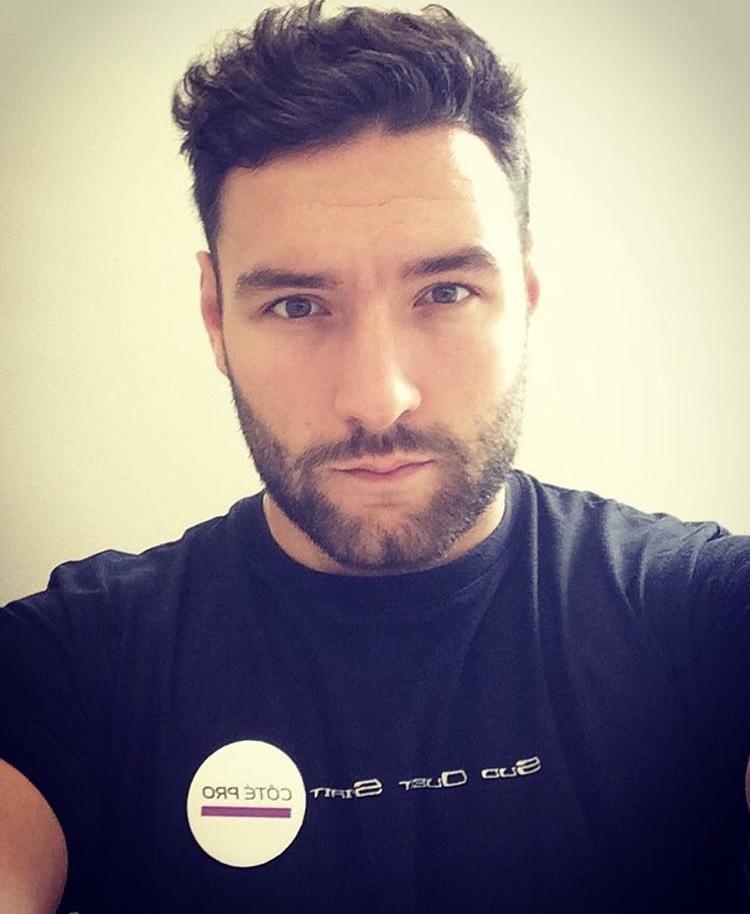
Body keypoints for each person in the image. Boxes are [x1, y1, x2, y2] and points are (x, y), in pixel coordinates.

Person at [1, 1, 748, 911]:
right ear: (215, 316)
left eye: (445, 291)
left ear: (524, 292)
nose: (377, 398)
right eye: (297, 305)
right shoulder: (72, 667)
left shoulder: (704, 614)